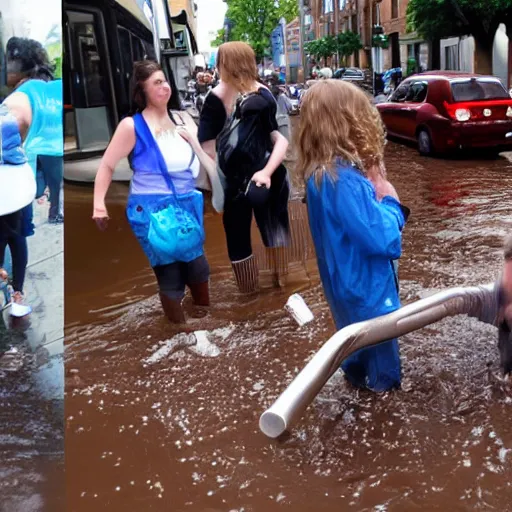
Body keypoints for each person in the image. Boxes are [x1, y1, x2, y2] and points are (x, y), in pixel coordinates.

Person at [297, 80, 410, 392]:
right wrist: (391, 202)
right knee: (385, 379)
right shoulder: (344, 180)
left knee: (355, 362)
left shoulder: (317, 176)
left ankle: (356, 410)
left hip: (343, 292)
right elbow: (383, 239)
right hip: (370, 295)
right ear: (347, 123)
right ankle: (381, 425)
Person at [92, 60, 220, 324]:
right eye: (156, 83)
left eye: (165, 81)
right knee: (170, 273)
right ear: (142, 91)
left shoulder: (182, 118)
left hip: (187, 204)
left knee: (198, 269)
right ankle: (180, 332)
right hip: (151, 210)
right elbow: (106, 165)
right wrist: (98, 205)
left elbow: (204, 157)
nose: (164, 87)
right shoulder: (132, 126)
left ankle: (206, 322)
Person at [198, 41, 290, 294]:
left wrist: (215, 190)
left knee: (238, 239)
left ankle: (248, 294)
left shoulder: (214, 99)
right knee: (275, 232)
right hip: (270, 178)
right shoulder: (265, 94)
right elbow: (280, 138)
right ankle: (279, 287)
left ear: (224, 65)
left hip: (234, 182)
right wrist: (267, 172)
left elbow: (208, 149)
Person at [0, 37, 62, 316]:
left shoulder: (16, 102)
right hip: (26, 183)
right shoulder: (50, 92)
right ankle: (17, 294)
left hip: (12, 182)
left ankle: (10, 293)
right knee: (16, 237)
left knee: (6, 236)